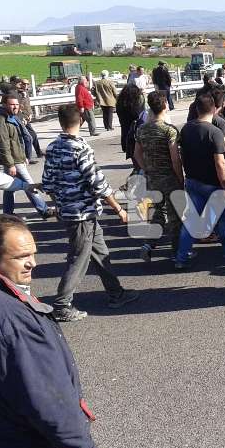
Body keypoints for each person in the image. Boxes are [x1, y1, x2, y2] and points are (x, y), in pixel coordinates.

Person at [0, 215, 111, 448]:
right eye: (21, 257)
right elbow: (43, 394)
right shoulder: (8, 319)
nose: (33, 263)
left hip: (8, 428)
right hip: (20, 439)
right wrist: (82, 444)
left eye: (33, 254)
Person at [42, 104, 136, 321]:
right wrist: (119, 209)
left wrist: (59, 205)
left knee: (100, 253)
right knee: (79, 259)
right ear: (82, 121)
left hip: (71, 211)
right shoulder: (80, 148)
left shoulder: (53, 147)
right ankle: (62, 305)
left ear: (60, 121)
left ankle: (116, 293)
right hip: (83, 214)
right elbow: (99, 184)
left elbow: (48, 183)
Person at [174, 92, 225, 270]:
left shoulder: (186, 128)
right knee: (224, 219)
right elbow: (219, 162)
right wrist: (224, 185)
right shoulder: (214, 132)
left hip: (193, 180)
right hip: (212, 183)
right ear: (214, 109)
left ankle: (182, 257)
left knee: (190, 222)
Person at [134, 91, 184, 263]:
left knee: (157, 215)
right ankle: (177, 253)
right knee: (175, 217)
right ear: (164, 106)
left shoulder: (141, 130)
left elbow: (137, 153)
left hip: (152, 178)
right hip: (169, 177)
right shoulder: (169, 130)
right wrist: (180, 179)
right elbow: (175, 159)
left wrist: (147, 169)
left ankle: (148, 244)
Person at [0, 93, 51, 218]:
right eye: (12, 104)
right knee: (29, 184)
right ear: (4, 105)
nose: (15, 107)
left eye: (17, 104)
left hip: (18, 158)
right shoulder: (1, 120)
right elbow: (3, 143)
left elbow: (22, 139)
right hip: (13, 161)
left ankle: (7, 213)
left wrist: (26, 155)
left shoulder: (14, 117)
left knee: (10, 186)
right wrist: (10, 164)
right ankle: (44, 210)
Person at [13, 78, 41, 160]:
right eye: (23, 84)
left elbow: (28, 105)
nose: (25, 85)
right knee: (28, 137)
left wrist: (31, 114)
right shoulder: (19, 93)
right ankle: (28, 157)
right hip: (22, 118)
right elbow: (19, 106)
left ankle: (38, 152)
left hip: (27, 117)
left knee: (32, 136)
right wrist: (24, 116)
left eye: (27, 84)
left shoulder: (26, 92)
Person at [115, 83, 144, 156]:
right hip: (134, 129)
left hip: (124, 127)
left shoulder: (120, 102)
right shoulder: (134, 103)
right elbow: (137, 115)